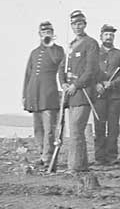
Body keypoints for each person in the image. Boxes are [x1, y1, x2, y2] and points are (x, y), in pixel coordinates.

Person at [59, 10, 102, 173]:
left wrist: (76, 85)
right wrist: (63, 83)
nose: (77, 27)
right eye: (74, 24)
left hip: (84, 92)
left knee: (77, 128)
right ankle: (81, 165)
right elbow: (61, 67)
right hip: (70, 94)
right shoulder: (70, 45)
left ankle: (74, 166)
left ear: (85, 24)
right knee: (74, 130)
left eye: (80, 23)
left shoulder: (91, 43)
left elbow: (91, 70)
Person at [22, 21, 65, 169]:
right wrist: (25, 95)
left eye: (49, 32)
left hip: (48, 95)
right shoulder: (34, 53)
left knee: (49, 129)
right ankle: (42, 154)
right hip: (34, 94)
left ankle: (48, 157)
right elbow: (28, 75)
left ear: (52, 34)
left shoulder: (58, 50)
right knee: (38, 128)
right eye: (44, 32)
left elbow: (57, 61)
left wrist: (50, 45)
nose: (46, 34)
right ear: (39, 34)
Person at [92, 24, 120, 166]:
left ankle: (112, 156)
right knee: (99, 126)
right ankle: (100, 157)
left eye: (111, 35)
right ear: (101, 37)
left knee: (113, 127)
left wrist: (112, 84)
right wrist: (96, 84)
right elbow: (89, 71)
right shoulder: (94, 54)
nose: (109, 37)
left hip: (115, 96)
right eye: (106, 35)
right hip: (99, 96)